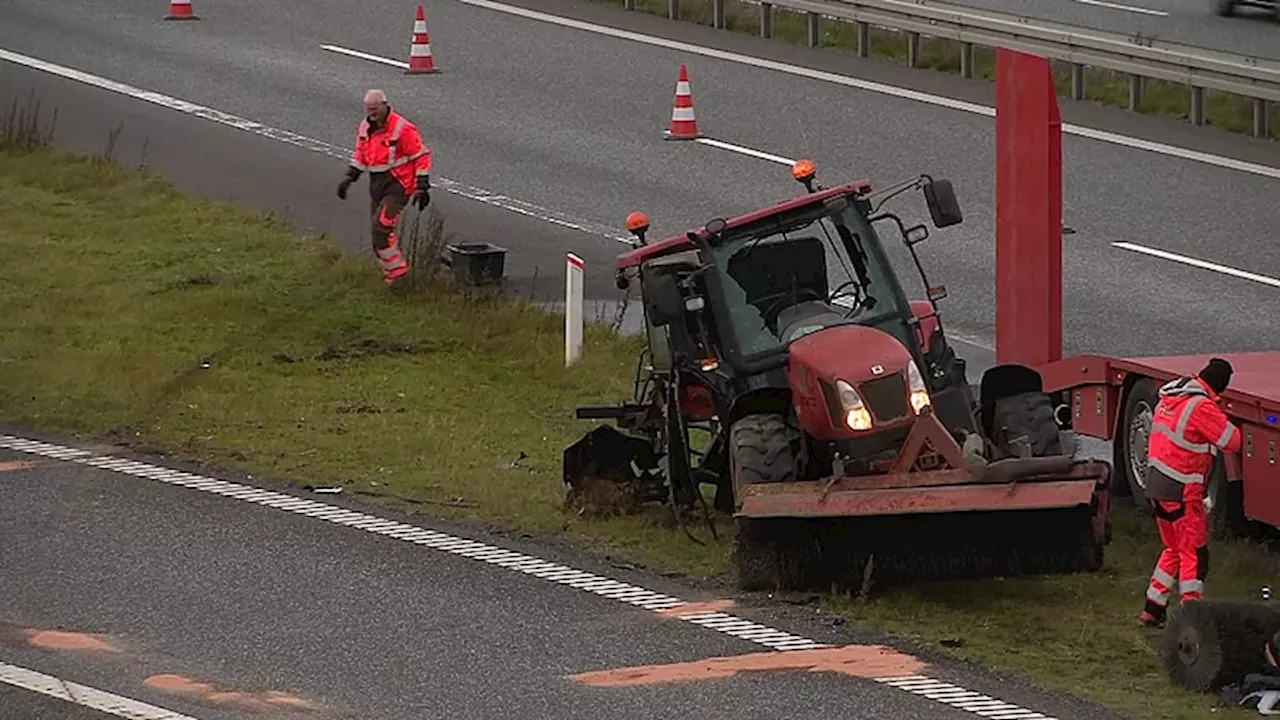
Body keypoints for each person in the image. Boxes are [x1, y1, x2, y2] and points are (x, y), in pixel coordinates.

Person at [1138, 358, 1243, 628]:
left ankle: (1152, 608)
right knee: (1194, 556)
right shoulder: (1201, 407)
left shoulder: (1172, 396)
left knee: (1172, 549)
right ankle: (1190, 620)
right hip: (1182, 492)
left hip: (1157, 488)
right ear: (1220, 386)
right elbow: (1232, 441)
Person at [336, 89, 432, 289]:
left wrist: (421, 186)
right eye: (368, 110)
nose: (371, 114)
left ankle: (399, 277)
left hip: (399, 187)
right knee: (377, 235)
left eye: (375, 109)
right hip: (378, 186)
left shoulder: (402, 129)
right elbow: (362, 155)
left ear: (385, 105)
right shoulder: (365, 128)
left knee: (381, 229)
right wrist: (349, 177)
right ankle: (392, 275)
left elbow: (420, 156)